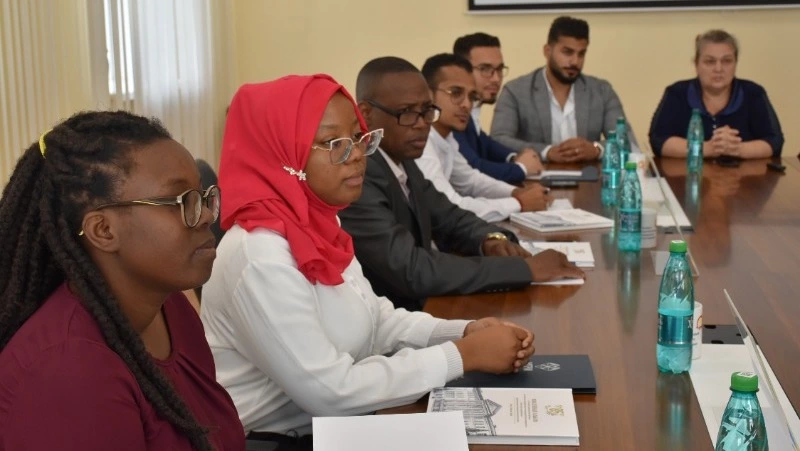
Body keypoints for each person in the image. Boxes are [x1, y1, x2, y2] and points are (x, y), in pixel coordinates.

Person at [200, 74, 541, 447]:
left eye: (359, 137)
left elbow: (375, 319)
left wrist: (461, 331)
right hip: (275, 441)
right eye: (334, 143)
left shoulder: (317, 222)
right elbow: (331, 391)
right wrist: (462, 355)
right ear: (282, 153)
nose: (358, 154)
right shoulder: (259, 255)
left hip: (335, 426)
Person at [0, 111, 244, 450]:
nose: (205, 215)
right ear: (103, 230)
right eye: (179, 201)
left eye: (203, 196)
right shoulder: (67, 369)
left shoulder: (170, 307)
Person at [340, 56, 585, 311]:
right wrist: (522, 269)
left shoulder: (400, 159)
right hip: (388, 324)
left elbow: (449, 217)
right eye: (408, 113)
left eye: (426, 111)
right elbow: (413, 269)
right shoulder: (358, 176)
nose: (422, 124)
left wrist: (491, 239)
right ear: (366, 114)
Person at [416, 53, 549, 222]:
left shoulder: (446, 138)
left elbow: (471, 181)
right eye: (456, 93)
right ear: (428, 95)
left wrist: (516, 192)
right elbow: (450, 208)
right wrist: (519, 203)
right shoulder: (421, 141)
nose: (466, 105)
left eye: (472, 97)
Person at [491, 16, 636, 163]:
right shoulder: (515, 91)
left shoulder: (602, 91)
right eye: (567, 52)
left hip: (589, 175)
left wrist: (596, 150)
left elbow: (628, 142)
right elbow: (498, 140)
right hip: (535, 175)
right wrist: (546, 152)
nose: (575, 62)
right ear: (547, 51)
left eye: (581, 54)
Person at [649, 29, 784, 159]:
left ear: (735, 63)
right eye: (710, 61)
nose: (718, 69)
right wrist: (706, 148)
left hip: (744, 174)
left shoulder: (753, 93)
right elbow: (658, 140)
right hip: (689, 173)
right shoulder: (677, 93)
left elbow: (775, 141)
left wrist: (737, 149)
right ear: (696, 64)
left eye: (726, 61)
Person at [452, 32, 543, 183]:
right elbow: (473, 168)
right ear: (461, 70)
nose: (496, 78)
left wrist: (515, 157)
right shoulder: (452, 113)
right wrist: (522, 168)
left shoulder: (473, 110)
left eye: (499, 69)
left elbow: (486, 144)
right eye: (485, 69)